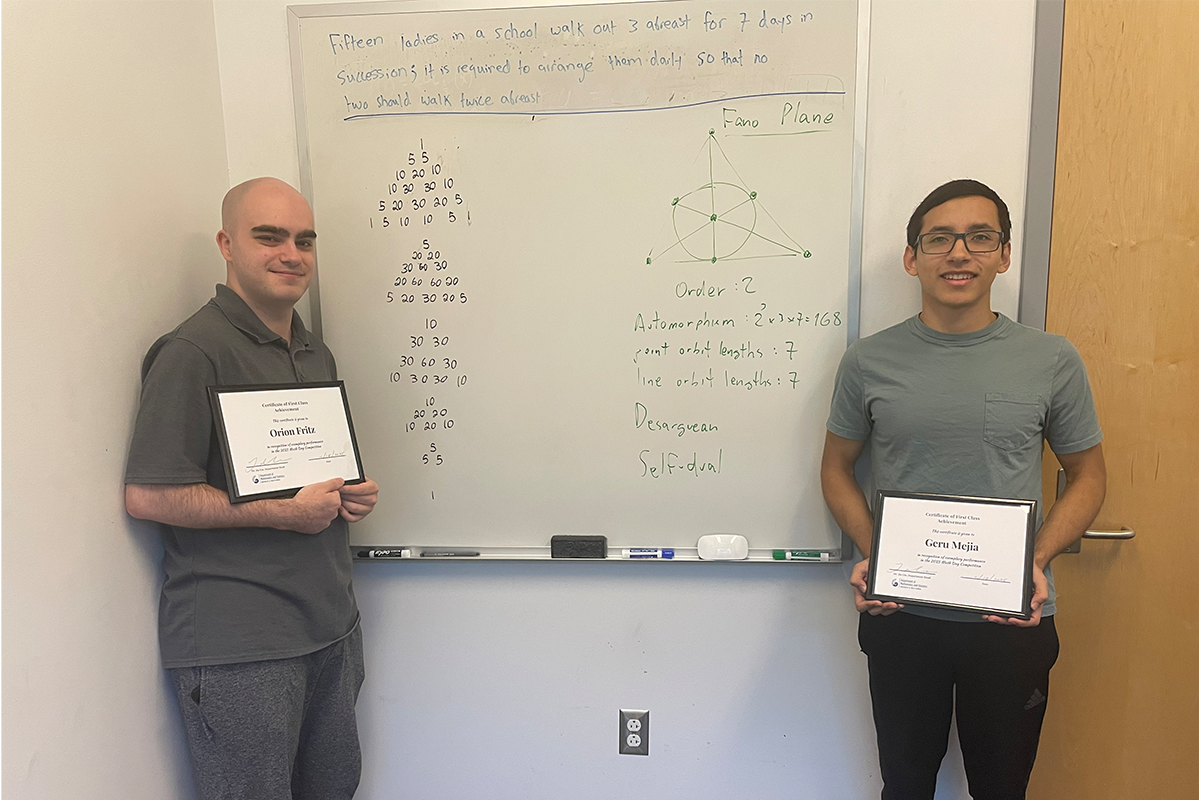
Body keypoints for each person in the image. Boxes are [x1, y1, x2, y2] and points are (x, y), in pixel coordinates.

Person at [820, 179, 1107, 799]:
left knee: (1002, 790)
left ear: (1003, 255)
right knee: (904, 786)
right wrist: (878, 555)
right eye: (940, 238)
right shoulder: (868, 362)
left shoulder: (1052, 360)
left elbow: (1088, 476)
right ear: (911, 257)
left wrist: (1035, 561)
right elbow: (836, 469)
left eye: (980, 237)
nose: (959, 253)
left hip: (1012, 617)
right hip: (901, 615)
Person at [125, 177, 380, 800]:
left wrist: (348, 494)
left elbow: (300, 482)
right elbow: (150, 494)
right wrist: (282, 515)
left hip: (331, 627)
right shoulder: (192, 351)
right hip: (242, 645)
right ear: (227, 244)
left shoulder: (315, 352)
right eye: (269, 237)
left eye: (305, 240)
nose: (291, 254)